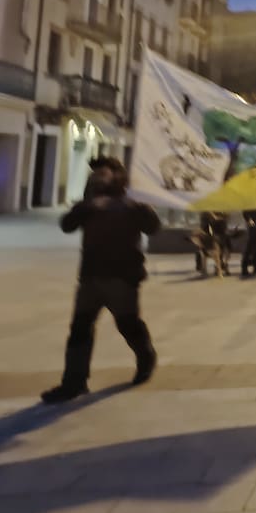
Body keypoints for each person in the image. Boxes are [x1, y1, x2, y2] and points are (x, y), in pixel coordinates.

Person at [42, 157, 161, 404]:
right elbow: (67, 225)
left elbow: (153, 228)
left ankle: (146, 357)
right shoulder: (90, 204)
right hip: (90, 277)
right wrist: (86, 206)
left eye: (102, 173)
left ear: (117, 175)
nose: (97, 177)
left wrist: (142, 207)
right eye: (95, 173)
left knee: (128, 324)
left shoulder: (132, 204)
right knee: (80, 329)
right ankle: (74, 382)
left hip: (122, 278)